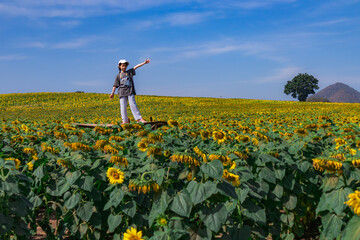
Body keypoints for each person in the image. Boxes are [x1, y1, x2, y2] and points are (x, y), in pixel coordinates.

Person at [109, 58, 150, 124]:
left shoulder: (129, 72)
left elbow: (136, 67)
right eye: (122, 65)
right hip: (122, 92)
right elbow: (115, 85)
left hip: (130, 91)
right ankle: (125, 121)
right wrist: (112, 93)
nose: (124, 67)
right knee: (123, 107)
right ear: (119, 66)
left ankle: (139, 119)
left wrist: (144, 63)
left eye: (125, 65)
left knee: (133, 105)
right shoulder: (118, 76)